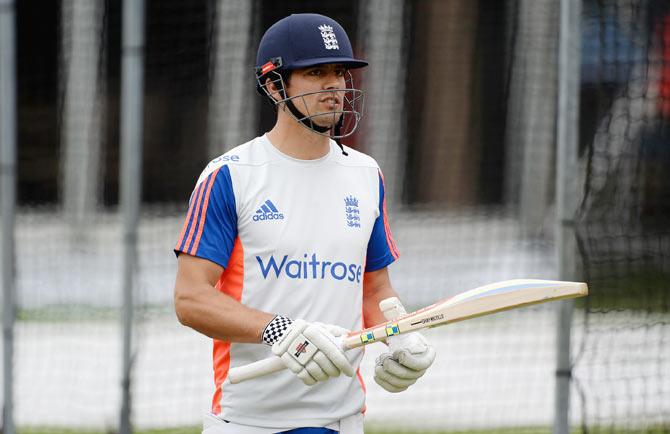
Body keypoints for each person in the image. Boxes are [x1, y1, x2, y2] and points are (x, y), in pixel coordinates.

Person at [173, 13, 435, 434]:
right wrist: (279, 330)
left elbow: (375, 289)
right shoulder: (231, 175)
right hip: (247, 420)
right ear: (275, 84)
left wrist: (399, 337)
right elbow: (190, 299)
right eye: (316, 73)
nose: (334, 87)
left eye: (340, 72)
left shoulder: (367, 174)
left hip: (342, 420)